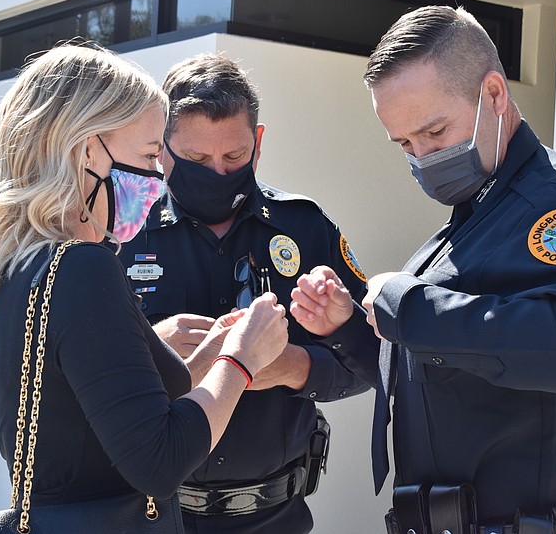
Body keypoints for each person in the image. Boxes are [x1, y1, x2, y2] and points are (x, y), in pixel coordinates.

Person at [290, 6, 556, 532]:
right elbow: (443, 367)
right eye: (405, 144)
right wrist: (355, 328)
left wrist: (409, 305)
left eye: (434, 131)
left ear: (494, 95)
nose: (423, 157)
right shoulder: (479, 212)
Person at [0, 44, 288, 530]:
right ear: (87, 149)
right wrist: (242, 361)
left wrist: (205, 355)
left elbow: (95, 419)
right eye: (150, 155)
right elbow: (159, 462)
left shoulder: (17, 262)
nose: (155, 178)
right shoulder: (82, 267)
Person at [118, 53, 370, 534]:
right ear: (162, 147)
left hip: (275, 516)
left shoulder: (305, 229)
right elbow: (77, 372)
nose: (217, 171)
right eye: (195, 159)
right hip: (152, 516)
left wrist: (295, 367)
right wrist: (151, 349)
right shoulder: (123, 233)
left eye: (233, 157)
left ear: (257, 142)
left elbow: (372, 361)